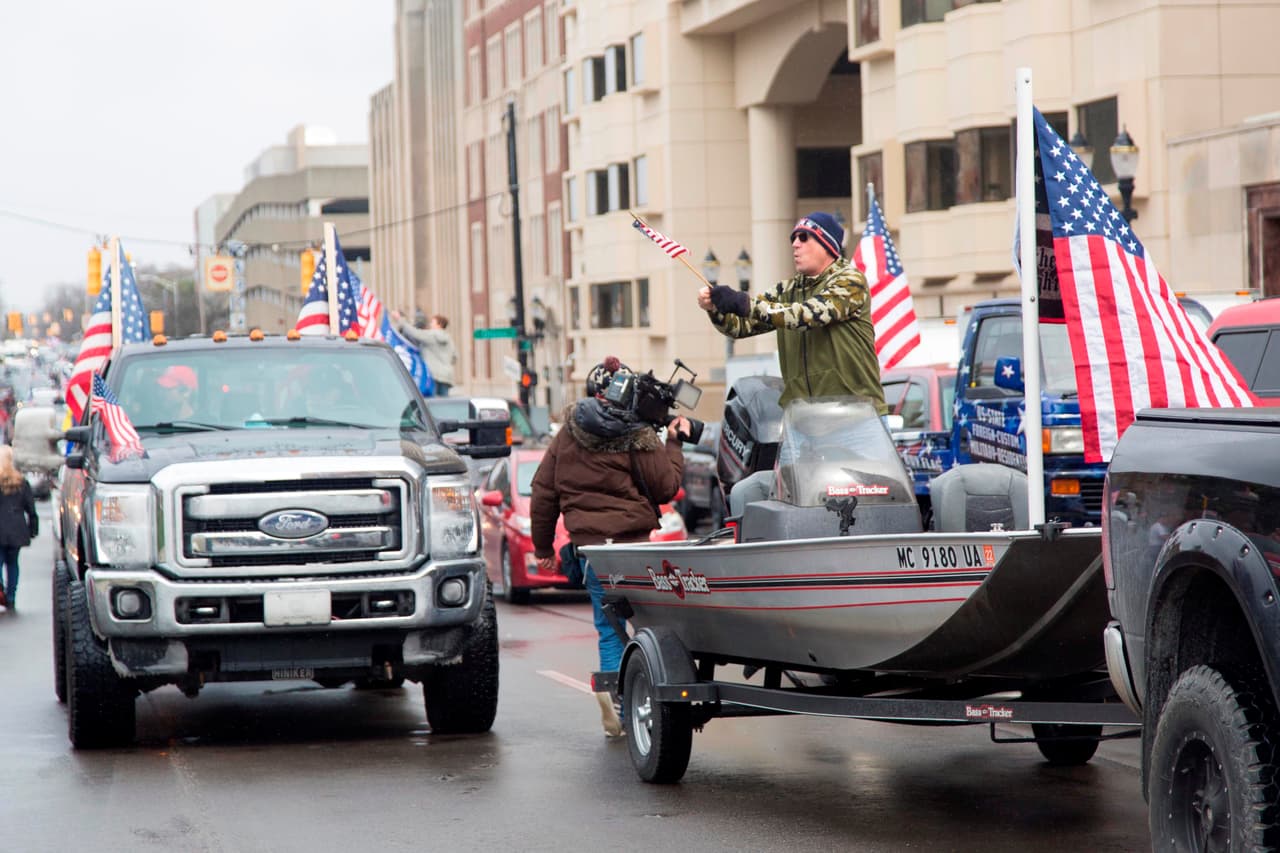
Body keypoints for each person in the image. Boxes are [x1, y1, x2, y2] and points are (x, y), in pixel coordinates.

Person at [530, 356, 689, 738]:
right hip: (634, 549)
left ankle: (617, 702)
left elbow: (543, 492)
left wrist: (543, 547)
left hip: (591, 552)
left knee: (609, 628)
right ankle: (643, 692)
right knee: (651, 624)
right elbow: (667, 487)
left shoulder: (566, 434)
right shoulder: (637, 432)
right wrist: (675, 445)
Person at [698, 212, 888, 514]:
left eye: (804, 237)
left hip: (857, 419)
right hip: (804, 424)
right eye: (792, 239)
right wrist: (717, 309)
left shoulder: (850, 281)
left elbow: (807, 316)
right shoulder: (787, 290)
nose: (795, 244)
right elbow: (740, 327)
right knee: (795, 508)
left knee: (874, 506)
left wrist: (745, 303)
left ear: (827, 244)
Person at [0, 445, 38, 612]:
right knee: (13, 564)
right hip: (16, 529)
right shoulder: (22, 482)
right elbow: (31, 509)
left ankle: (1, 590)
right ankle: (11, 597)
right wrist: (33, 529)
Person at [391, 310, 458, 396]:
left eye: (433, 322)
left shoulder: (432, 335)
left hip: (434, 375)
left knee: (432, 403)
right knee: (444, 405)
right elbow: (455, 357)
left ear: (439, 324)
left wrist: (400, 319)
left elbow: (415, 333)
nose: (430, 324)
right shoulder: (449, 339)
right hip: (447, 377)